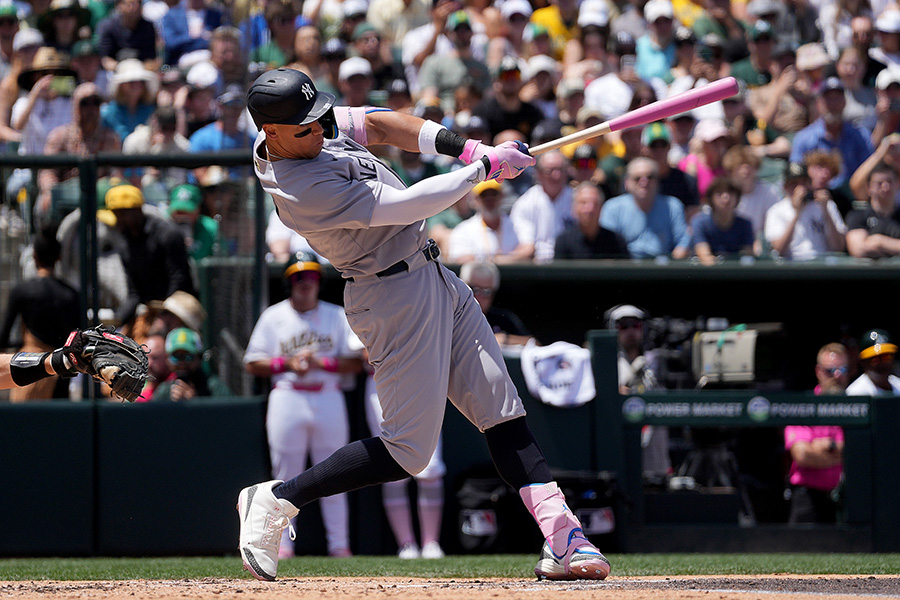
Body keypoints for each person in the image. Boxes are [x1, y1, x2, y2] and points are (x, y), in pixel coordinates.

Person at [238, 68, 609, 582]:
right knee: (408, 453)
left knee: (501, 411)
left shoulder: (303, 126)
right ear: (270, 133)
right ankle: (279, 498)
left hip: (434, 273)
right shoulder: (300, 187)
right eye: (306, 128)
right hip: (389, 294)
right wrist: (480, 170)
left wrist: (467, 147)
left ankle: (565, 536)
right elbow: (404, 205)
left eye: (320, 117)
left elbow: (386, 126)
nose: (321, 130)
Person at [243, 252, 364, 558]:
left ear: (319, 280)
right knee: (285, 473)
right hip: (288, 394)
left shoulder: (336, 314)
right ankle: (282, 547)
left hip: (327, 394)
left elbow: (358, 361)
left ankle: (340, 545)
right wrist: (287, 362)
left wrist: (320, 361)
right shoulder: (274, 315)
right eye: (298, 277)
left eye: (310, 276)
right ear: (289, 282)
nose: (305, 282)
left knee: (336, 473)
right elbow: (252, 361)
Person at [0, 233, 80, 401]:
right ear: (59, 257)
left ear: (34, 257)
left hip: (28, 370)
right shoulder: (71, 295)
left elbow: (3, 338)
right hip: (61, 371)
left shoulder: (22, 291)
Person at [105, 184, 195, 328]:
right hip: (149, 313)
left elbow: (179, 281)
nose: (118, 219)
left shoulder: (168, 234)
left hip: (178, 311)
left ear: (138, 210)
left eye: (122, 213)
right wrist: (116, 322)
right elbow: (134, 293)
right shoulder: (125, 243)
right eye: (115, 213)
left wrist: (164, 316)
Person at [784, 343, 849, 524]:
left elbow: (865, 452)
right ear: (818, 371)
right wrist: (843, 451)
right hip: (808, 498)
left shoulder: (858, 404)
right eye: (830, 370)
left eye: (842, 369)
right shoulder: (803, 407)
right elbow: (803, 455)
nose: (837, 375)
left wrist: (826, 447)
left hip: (848, 497)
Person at [606, 304, 670, 481]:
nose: (630, 331)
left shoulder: (656, 360)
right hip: (622, 441)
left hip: (653, 445)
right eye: (623, 326)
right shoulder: (606, 361)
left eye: (635, 325)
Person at [789, 77, 875, 188]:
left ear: (844, 102)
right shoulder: (803, 138)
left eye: (837, 98)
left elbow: (870, 172)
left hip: (852, 199)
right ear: (819, 104)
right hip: (815, 196)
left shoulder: (861, 135)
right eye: (828, 99)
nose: (833, 104)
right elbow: (795, 174)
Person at [601, 157, 691, 259]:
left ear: (657, 181)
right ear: (627, 183)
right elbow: (606, 246)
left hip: (663, 270)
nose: (644, 182)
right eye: (637, 178)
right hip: (625, 270)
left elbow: (683, 242)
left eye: (650, 177)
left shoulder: (673, 207)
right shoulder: (612, 208)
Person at [764, 160, 848, 261]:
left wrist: (826, 212)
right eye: (794, 184)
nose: (800, 188)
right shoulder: (776, 211)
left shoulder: (826, 205)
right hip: (791, 265)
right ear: (785, 187)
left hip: (823, 263)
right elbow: (778, 249)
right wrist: (797, 213)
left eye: (804, 182)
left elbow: (838, 247)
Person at [510, 150, 575, 263]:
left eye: (560, 170)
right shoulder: (525, 203)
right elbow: (526, 246)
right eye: (550, 171)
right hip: (536, 265)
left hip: (571, 263)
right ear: (538, 174)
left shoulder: (578, 200)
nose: (556, 175)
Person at [448, 179, 530, 264]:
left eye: (494, 194)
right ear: (475, 199)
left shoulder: (519, 225)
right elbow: (462, 259)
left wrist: (497, 260)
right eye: (484, 195)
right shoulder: (463, 230)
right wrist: (510, 257)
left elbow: (528, 251)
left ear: (502, 196)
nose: (489, 199)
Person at [459, 260, 535, 348]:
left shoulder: (502, 318)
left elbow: (534, 344)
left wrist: (505, 339)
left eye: (486, 292)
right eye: (474, 289)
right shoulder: (452, 316)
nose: (479, 296)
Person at [151, 327, 232, 401]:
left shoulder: (214, 388)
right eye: (176, 357)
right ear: (167, 360)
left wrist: (196, 404)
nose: (182, 363)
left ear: (199, 358)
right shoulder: (164, 391)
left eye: (188, 357)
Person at [554, 182, 630, 259]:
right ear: (574, 208)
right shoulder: (564, 242)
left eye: (595, 203)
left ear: (601, 208)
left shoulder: (616, 241)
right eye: (583, 203)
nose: (589, 209)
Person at [691, 177, 755, 265]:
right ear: (711, 199)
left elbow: (748, 255)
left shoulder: (745, 224)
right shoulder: (700, 222)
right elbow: (704, 255)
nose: (726, 197)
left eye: (731, 193)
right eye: (719, 193)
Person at [846, 162, 900, 258]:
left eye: (890, 181)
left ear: (897, 184)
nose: (885, 187)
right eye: (879, 183)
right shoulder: (857, 216)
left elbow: (870, 245)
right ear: (869, 187)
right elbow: (859, 250)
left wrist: (879, 241)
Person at [95, 0, 159, 73]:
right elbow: (105, 59)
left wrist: (137, 68)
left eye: (136, 4)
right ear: (119, 6)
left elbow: (151, 59)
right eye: (129, 4)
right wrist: (123, 68)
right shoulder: (108, 26)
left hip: (141, 71)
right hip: (114, 72)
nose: (133, 8)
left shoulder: (148, 27)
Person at [168, 183, 219, 261]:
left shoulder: (210, 228)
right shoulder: (161, 227)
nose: (182, 216)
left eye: (187, 211)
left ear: (198, 210)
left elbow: (219, 262)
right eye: (179, 211)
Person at [846, 328, 900, 395]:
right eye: (875, 359)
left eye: (886, 357)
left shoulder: (898, 385)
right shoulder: (856, 393)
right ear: (864, 363)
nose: (882, 363)